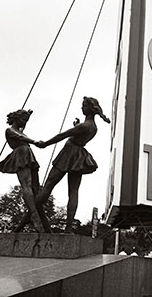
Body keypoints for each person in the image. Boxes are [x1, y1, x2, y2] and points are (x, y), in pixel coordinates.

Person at [36, 97, 110, 233]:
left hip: (69, 153)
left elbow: (62, 135)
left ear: (89, 108)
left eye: (83, 106)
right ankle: (68, 227)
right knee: (74, 191)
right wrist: (76, 125)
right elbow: (79, 134)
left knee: (49, 185)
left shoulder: (84, 126)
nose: (81, 108)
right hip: (79, 156)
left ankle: (31, 213)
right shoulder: (93, 127)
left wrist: (45, 144)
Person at [0, 109, 47, 232]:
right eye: (23, 120)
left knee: (37, 189)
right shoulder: (10, 130)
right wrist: (35, 141)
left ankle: (37, 219)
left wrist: (27, 116)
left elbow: (21, 132)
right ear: (16, 119)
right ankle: (34, 216)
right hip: (21, 154)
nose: (24, 123)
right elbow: (19, 136)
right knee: (27, 185)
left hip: (28, 153)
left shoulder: (20, 129)